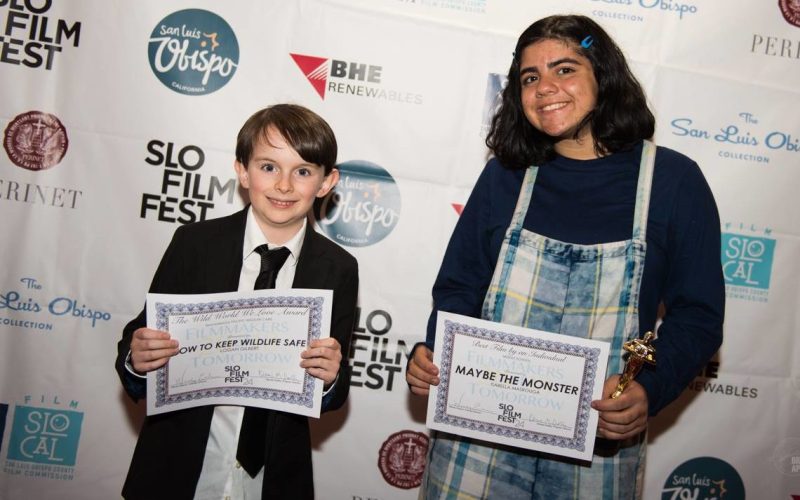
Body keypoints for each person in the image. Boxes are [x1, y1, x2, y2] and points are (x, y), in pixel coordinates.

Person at [406, 14, 723, 500]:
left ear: (604, 76)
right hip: (477, 437)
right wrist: (434, 352)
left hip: (598, 443)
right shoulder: (506, 176)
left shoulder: (673, 182)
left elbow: (698, 314)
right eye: (530, 77)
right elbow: (458, 288)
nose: (545, 87)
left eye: (565, 69)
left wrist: (649, 387)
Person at [115, 104, 359, 500]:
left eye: (302, 171)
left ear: (326, 182)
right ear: (242, 171)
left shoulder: (339, 269)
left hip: (272, 476)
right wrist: (137, 358)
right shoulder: (194, 244)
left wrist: (330, 377)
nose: (284, 185)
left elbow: (335, 388)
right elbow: (137, 345)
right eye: (268, 167)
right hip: (181, 465)